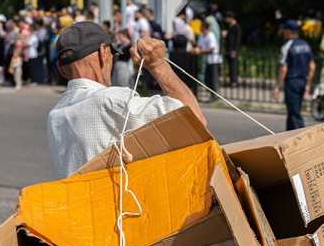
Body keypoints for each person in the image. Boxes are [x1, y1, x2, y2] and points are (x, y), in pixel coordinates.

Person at [47, 22, 206, 180]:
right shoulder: (110, 100)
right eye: (111, 55)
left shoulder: (55, 116)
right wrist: (158, 65)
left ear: (61, 69)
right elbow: (195, 120)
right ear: (103, 52)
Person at [273, 20, 315, 130]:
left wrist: (277, 86)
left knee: (294, 112)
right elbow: (312, 66)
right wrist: (308, 84)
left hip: (292, 81)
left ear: (288, 31)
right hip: (302, 80)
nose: (283, 33)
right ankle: (289, 135)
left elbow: (283, 68)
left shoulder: (287, 46)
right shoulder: (305, 44)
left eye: (284, 30)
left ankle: (302, 137)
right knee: (293, 111)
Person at [194, 21, 223, 102]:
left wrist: (201, 52)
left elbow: (211, 48)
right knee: (207, 79)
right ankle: (210, 93)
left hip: (214, 60)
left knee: (213, 78)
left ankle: (214, 95)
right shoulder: (201, 36)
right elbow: (200, 46)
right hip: (207, 60)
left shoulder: (211, 36)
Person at [222, 11, 241, 87]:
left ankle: (234, 81)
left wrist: (235, 50)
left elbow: (237, 39)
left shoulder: (237, 27)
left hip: (233, 49)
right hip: (228, 48)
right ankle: (231, 80)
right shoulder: (229, 27)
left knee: (233, 65)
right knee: (230, 66)